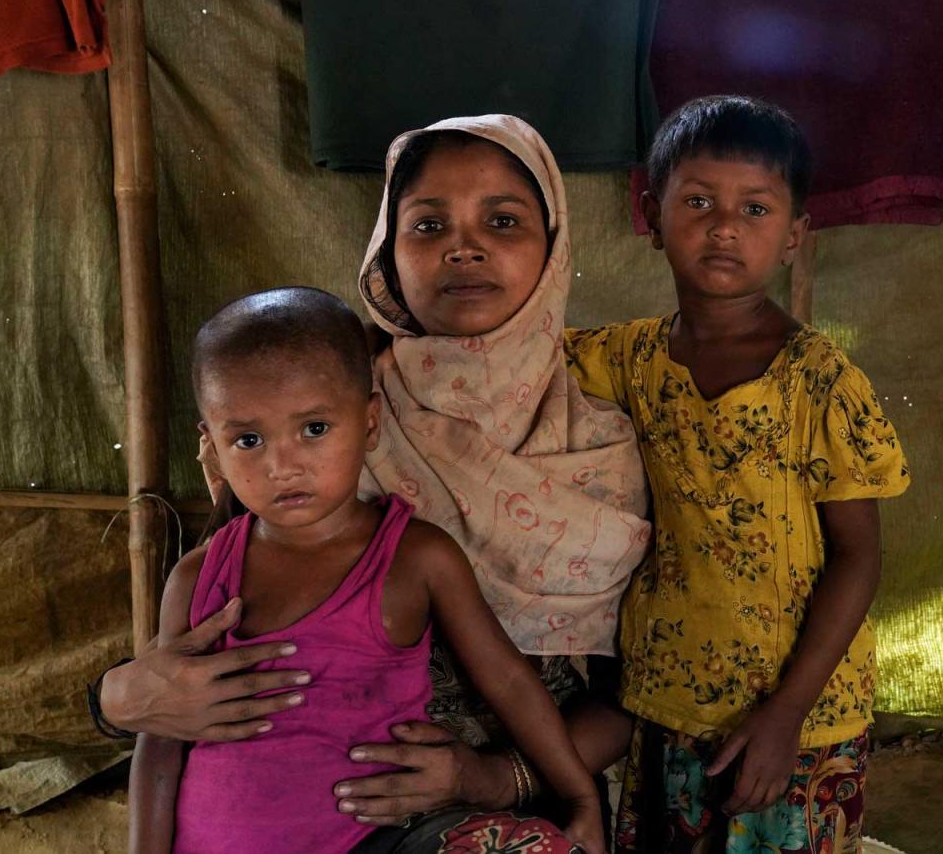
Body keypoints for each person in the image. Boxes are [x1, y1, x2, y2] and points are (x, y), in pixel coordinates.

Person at [102, 117, 651, 838]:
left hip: (510, 813)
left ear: (554, 245)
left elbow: (638, 696)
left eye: (504, 219)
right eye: (427, 225)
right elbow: (174, 682)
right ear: (387, 255)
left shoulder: (603, 440)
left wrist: (490, 777)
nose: (465, 245)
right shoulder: (320, 395)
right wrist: (114, 698)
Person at [128, 288, 604, 854]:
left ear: (370, 421)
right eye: (248, 440)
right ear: (212, 446)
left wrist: (580, 798)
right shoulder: (198, 579)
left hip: (377, 842)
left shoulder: (414, 557)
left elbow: (508, 682)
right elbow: (159, 742)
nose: (283, 465)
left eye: (314, 429)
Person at [565, 96, 910, 853]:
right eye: (698, 202)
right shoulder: (626, 359)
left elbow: (858, 555)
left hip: (801, 715)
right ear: (653, 217)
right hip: (664, 694)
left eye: (754, 208)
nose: (724, 226)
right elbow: (513, 361)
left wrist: (786, 713)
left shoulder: (819, 381)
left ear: (793, 237)